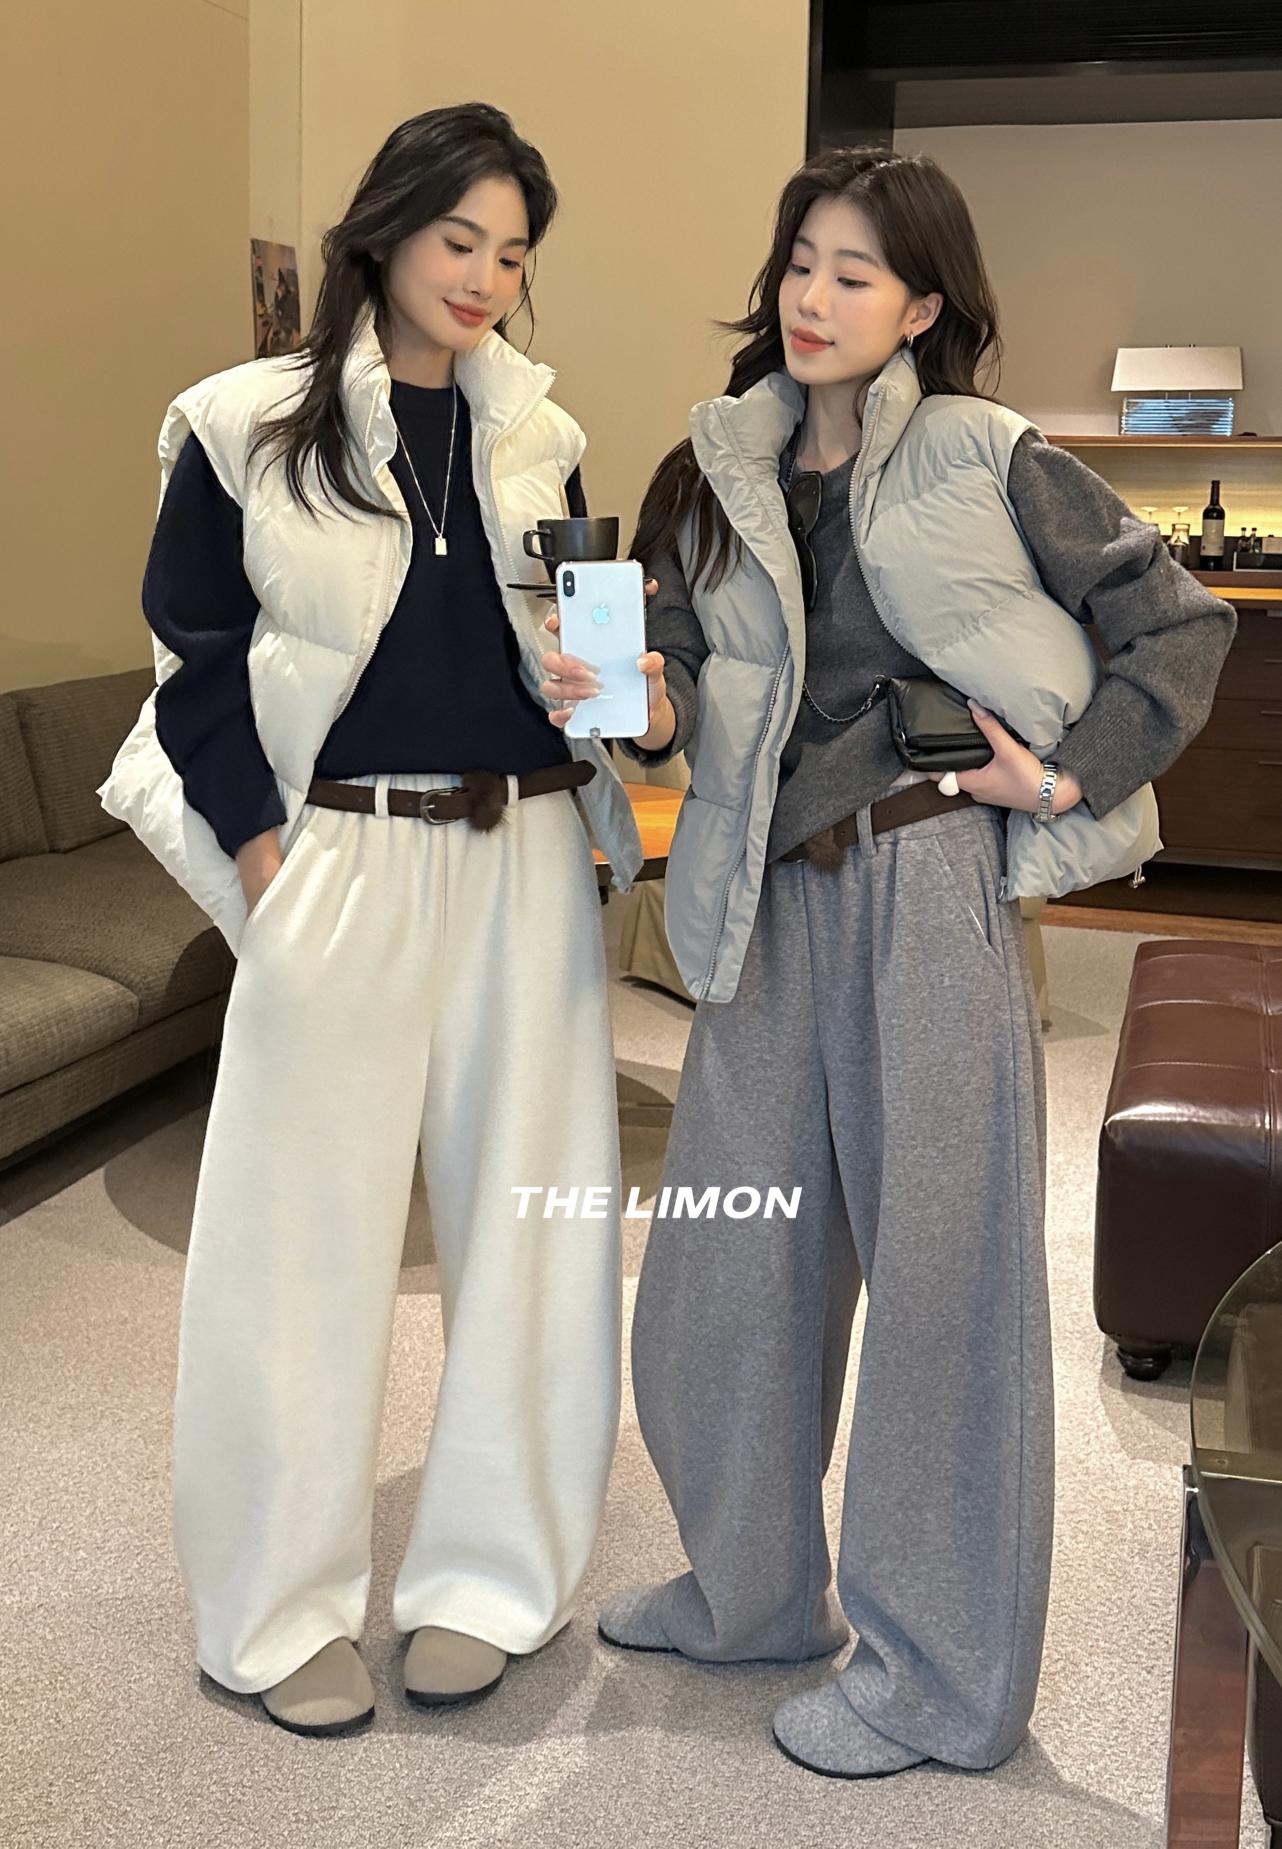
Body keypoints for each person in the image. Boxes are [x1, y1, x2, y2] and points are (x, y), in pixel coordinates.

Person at [542, 145, 1234, 1779]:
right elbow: (676, 682)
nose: (813, 295)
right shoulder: (711, 467)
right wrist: (630, 695)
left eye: (854, 272)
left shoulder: (991, 455)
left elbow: (1179, 624)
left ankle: (937, 1679)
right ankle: (750, 1595)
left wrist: (1058, 781)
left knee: (942, 1281)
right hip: (764, 895)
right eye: (799, 260)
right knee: (722, 1270)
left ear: (920, 306)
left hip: (925, 876)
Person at [100, 102, 642, 1737]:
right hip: (337, 851)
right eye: (460, 238)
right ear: (386, 230)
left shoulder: (542, 430)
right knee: (293, 1239)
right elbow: (194, 656)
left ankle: (491, 1576)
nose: (484, 277)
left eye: (513, 254)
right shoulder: (243, 422)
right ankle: (275, 1606)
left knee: (531, 1228)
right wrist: (263, 852)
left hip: (527, 854)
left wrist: (625, 687)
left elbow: (599, 662)